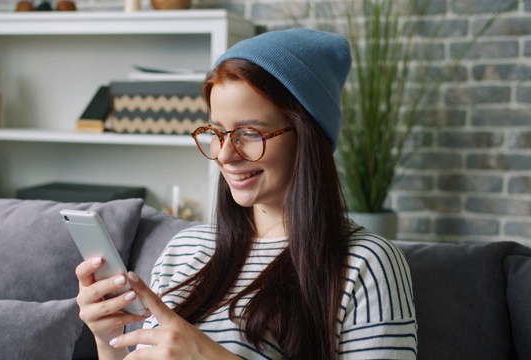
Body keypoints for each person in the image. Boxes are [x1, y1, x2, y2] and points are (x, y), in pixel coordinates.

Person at [75, 28, 418, 359]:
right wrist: (109, 343)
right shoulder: (184, 250)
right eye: (217, 132)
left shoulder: (366, 264)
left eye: (250, 133)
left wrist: (206, 354)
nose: (224, 155)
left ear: (307, 137)